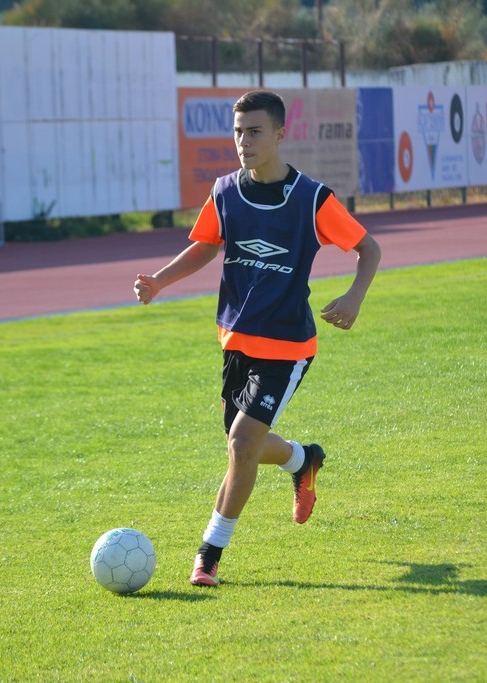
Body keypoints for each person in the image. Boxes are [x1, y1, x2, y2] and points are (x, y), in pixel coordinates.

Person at [134, 90, 381, 587]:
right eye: (238, 132)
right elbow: (206, 245)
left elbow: (368, 249)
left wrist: (355, 296)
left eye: (254, 131)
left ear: (280, 134)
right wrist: (159, 281)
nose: (243, 141)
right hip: (236, 340)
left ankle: (208, 555)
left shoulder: (311, 198)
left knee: (242, 443)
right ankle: (304, 459)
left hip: (288, 345)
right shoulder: (226, 191)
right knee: (242, 445)